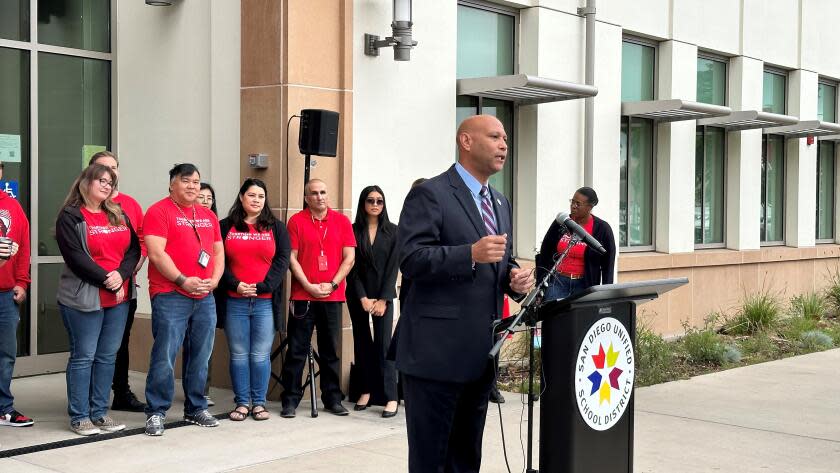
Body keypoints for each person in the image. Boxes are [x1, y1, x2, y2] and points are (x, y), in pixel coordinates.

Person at [396, 115, 533, 472]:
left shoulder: (500, 202)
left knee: (466, 460)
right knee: (432, 462)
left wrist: (513, 278)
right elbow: (411, 260)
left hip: (479, 356)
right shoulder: (431, 194)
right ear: (466, 141)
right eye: (495, 136)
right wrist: (467, 254)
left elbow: (498, 260)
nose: (504, 144)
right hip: (435, 356)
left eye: (505, 137)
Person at [56, 164, 141, 435]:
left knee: (107, 357)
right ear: (86, 182)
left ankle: (100, 413)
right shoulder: (71, 216)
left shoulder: (117, 213)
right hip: (84, 298)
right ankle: (80, 416)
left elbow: (133, 250)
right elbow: (75, 257)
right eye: (101, 180)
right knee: (84, 356)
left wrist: (121, 275)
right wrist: (109, 278)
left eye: (110, 182)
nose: (106, 185)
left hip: (118, 297)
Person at [142, 163, 224, 436]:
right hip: (171, 294)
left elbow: (218, 252)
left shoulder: (207, 216)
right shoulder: (158, 211)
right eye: (186, 181)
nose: (192, 186)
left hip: (204, 295)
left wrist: (214, 280)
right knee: (165, 354)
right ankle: (156, 411)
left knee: (201, 355)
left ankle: (196, 408)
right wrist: (182, 279)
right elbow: (156, 254)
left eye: (196, 182)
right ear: (171, 184)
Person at [280, 178, 356, 418]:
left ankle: (332, 399)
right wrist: (309, 286)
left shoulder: (342, 221)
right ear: (306, 198)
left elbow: (349, 258)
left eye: (323, 192)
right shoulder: (296, 221)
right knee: (296, 350)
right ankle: (290, 400)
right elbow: (291, 258)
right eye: (314, 193)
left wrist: (332, 284)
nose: (319, 197)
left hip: (332, 297)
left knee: (330, 350)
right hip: (304, 296)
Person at [219, 178, 290, 421]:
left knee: (260, 354)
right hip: (234, 300)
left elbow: (282, 260)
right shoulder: (225, 226)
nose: (256, 200)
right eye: (251, 195)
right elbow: (220, 262)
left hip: (265, 301)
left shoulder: (276, 228)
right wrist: (236, 285)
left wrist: (262, 287)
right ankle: (242, 402)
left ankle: (258, 403)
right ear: (241, 197)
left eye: (261, 196)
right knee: (239, 354)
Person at [87, 151, 148, 413]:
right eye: (103, 167)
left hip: (124, 288)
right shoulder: (81, 205)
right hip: (90, 289)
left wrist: (127, 271)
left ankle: (120, 393)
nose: (110, 173)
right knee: (90, 346)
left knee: (120, 343)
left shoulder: (130, 205)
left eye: (114, 167)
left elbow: (141, 242)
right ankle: (88, 398)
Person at [347, 186, 399, 418]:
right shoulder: (352, 230)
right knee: (362, 343)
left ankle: (391, 396)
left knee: (384, 346)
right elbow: (352, 267)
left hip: (383, 297)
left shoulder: (394, 231)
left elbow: (393, 269)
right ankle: (366, 390)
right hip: (359, 296)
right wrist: (362, 297)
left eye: (380, 200)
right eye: (370, 200)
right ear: (363, 203)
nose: (375, 204)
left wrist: (384, 299)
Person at [536, 186, 616, 300]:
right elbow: (545, 253)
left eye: (578, 204)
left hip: (584, 285)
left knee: (580, 318)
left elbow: (608, 264)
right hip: (557, 282)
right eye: (572, 202)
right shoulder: (561, 222)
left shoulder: (602, 229)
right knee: (554, 317)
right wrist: (539, 285)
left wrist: (606, 293)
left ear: (590, 207)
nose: (573, 206)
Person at [0, 160, 33, 428]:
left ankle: (3, 408)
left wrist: (22, 281)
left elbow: (23, 249)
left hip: (5, 294)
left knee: (5, 353)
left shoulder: (12, 206)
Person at [187, 181, 218, 407]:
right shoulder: (185, 220)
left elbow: (220, 255)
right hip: (182, 290)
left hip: (210, 289)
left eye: (210, 198)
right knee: (186, 345)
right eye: (202, 197)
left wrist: (214, 281)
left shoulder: (216, 223)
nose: (206, 201)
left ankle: (201, 391)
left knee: (204, 346)